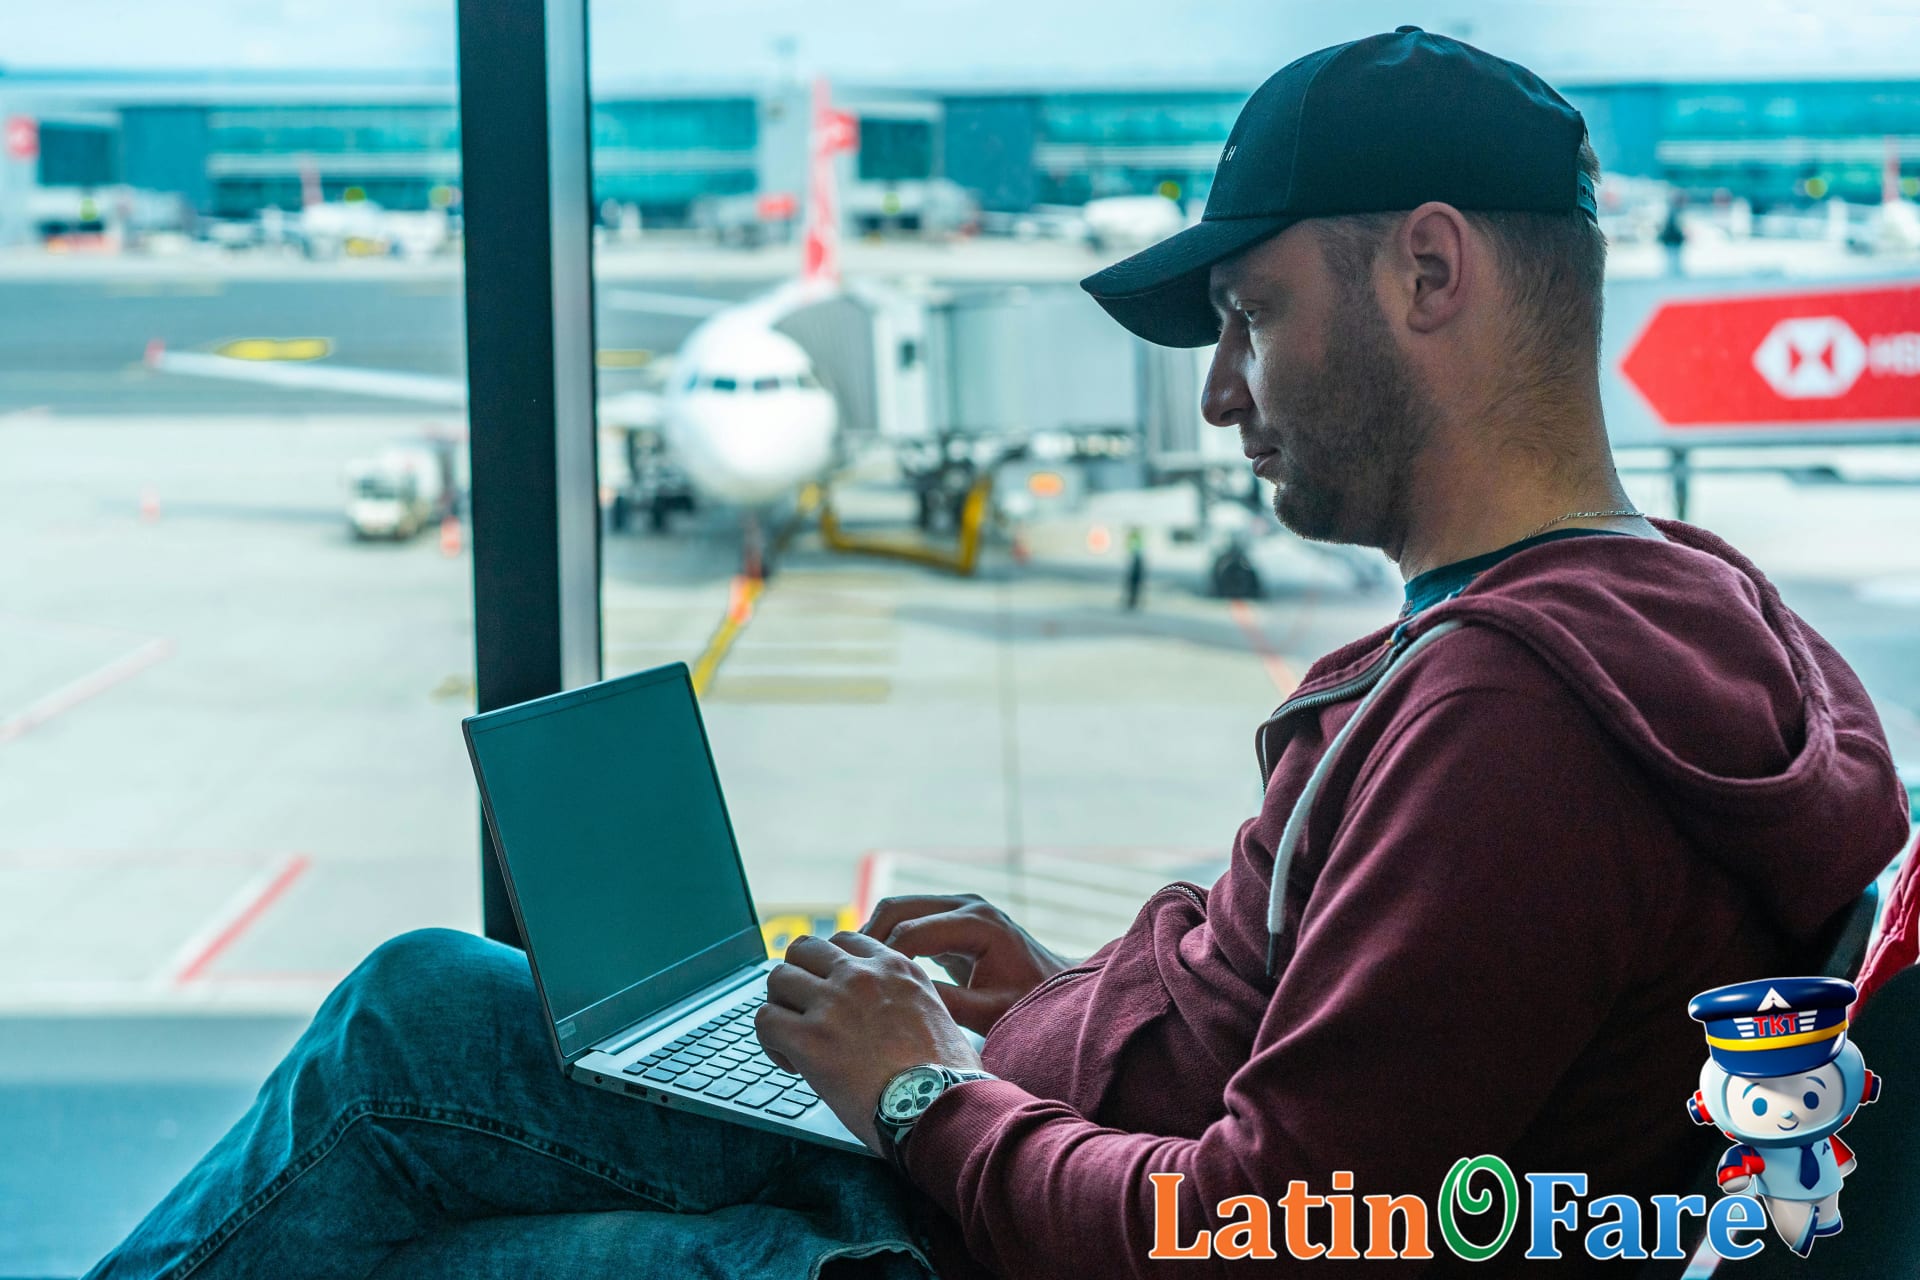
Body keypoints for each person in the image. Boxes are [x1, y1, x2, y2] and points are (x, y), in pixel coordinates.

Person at [87, 27, 1908, 1280]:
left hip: (1004, 1232)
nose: (1217, 397)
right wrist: (1065, 998)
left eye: (1251, 319)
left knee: (413, 1087)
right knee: (429, 1010)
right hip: (1040, 1133)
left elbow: (1271, 1230)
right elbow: (1367, 1047)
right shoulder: (1691, 599)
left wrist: (915, 1087)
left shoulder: (1518, 719)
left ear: (1432, 276)